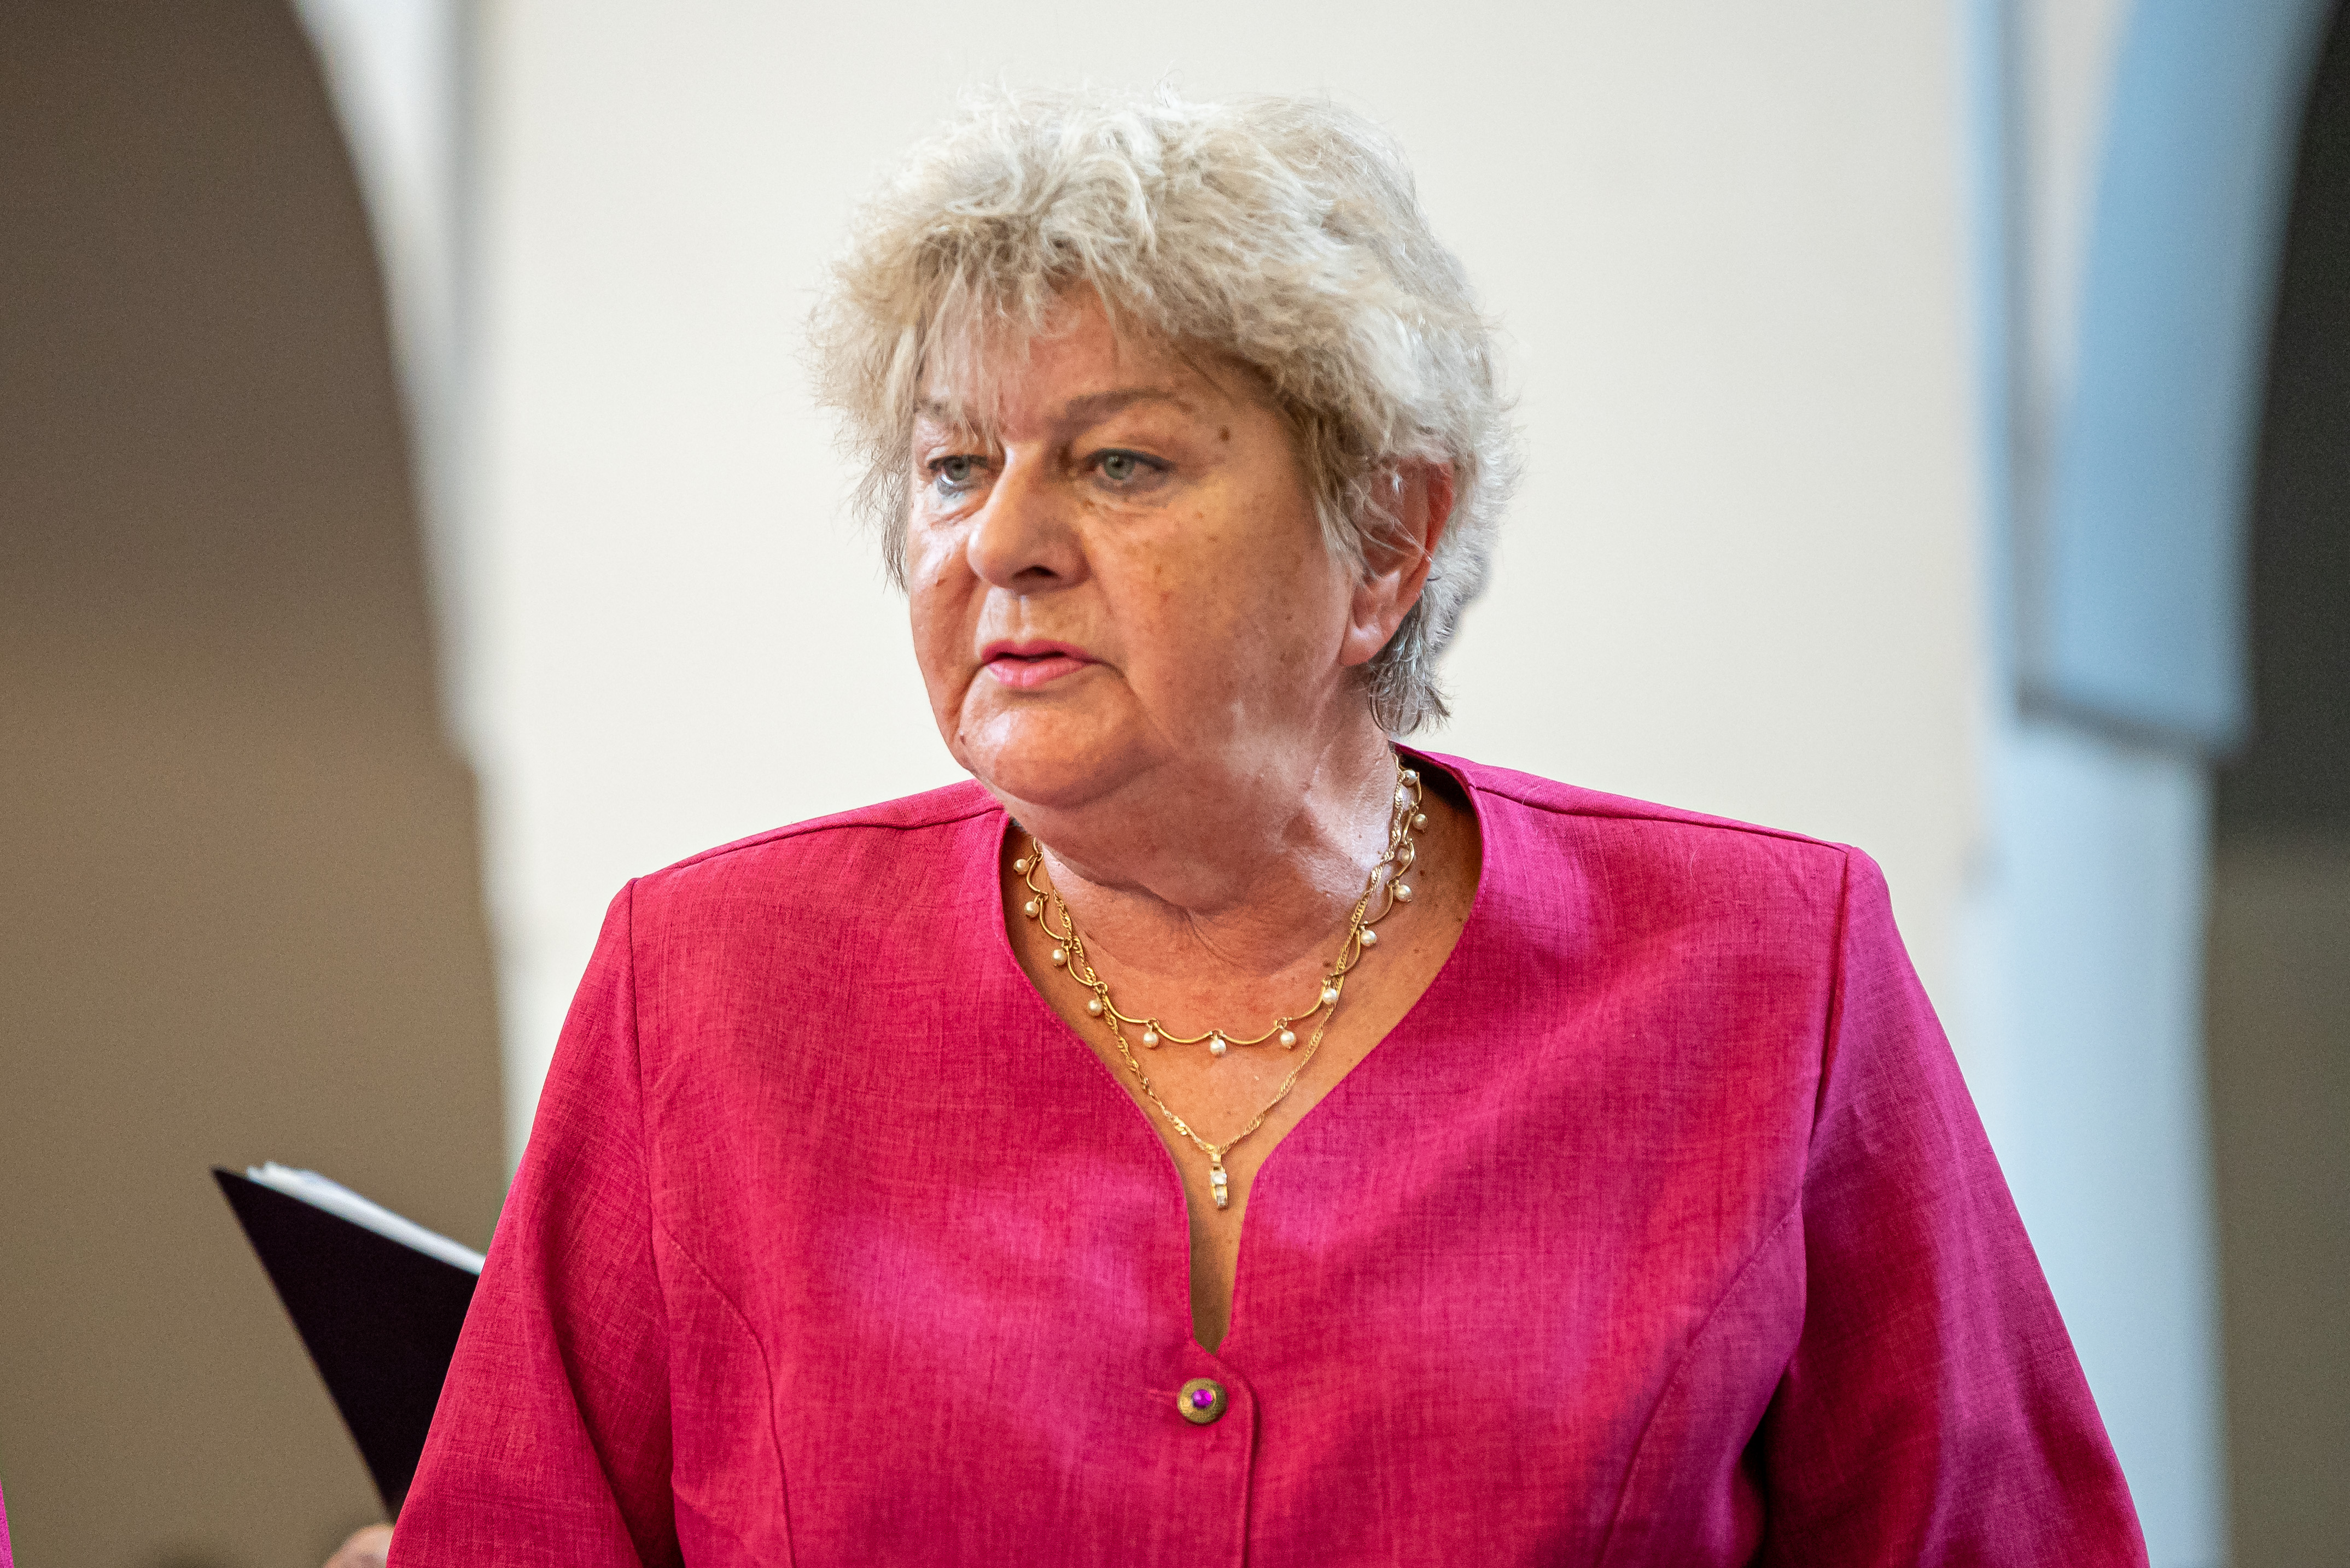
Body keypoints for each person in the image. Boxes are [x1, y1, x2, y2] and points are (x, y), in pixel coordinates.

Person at [381, 87, 2146, 1565]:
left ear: (1384, 541)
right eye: (951, 467)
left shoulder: (1765, 976)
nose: (1000, 542)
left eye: (1120, 462)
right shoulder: (706, 986)